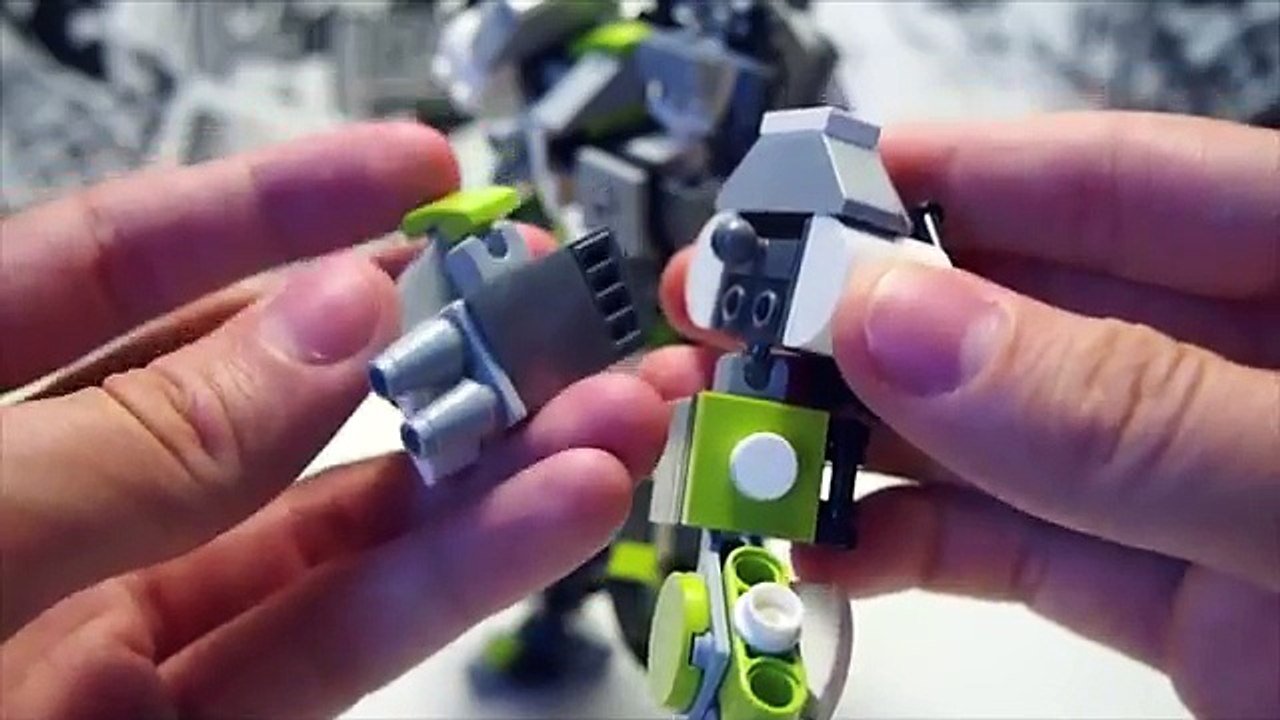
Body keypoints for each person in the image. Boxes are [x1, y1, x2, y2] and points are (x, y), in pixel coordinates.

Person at [0, 112, 1274, 718]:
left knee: (693, 525)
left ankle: (719, 649)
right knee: (606, 501)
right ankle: (652, 630)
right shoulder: (687, 230)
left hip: (765, 421)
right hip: (699, 403)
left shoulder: (836, 260)